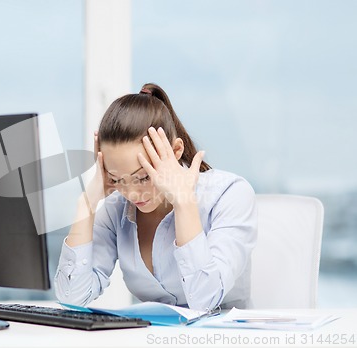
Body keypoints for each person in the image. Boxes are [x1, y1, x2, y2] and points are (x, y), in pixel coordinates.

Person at [54, 83, 257, 311]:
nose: (131, 194)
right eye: (117, 179)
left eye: (142, 178)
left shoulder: (229, 194)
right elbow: (71, 297)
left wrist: (184, 203)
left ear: (176, 151)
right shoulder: (116, 209)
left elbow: (204, 300)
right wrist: (86, 204)